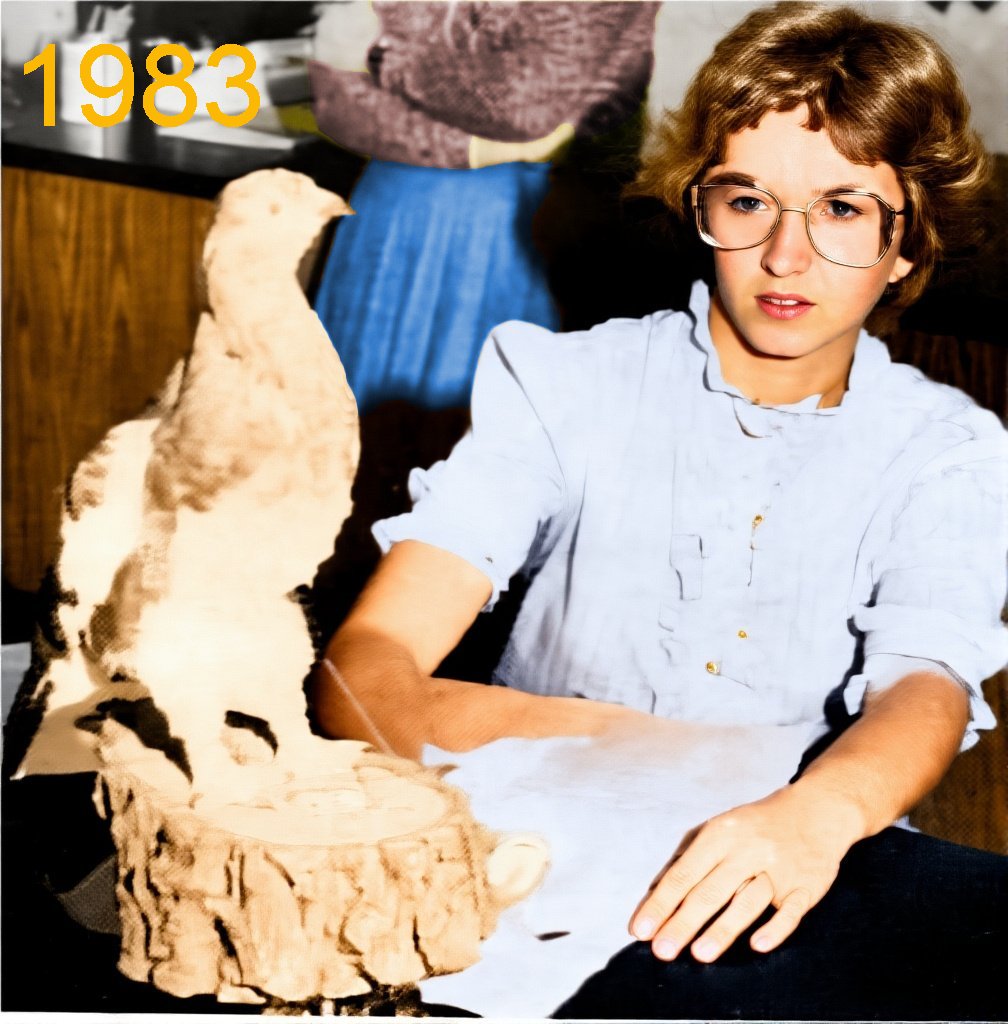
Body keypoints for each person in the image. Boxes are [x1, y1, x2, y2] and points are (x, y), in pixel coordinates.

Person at [311, 1, 1007, 1009]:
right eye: (748, 200)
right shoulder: (567, 384)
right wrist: (606, 745)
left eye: (843, 210)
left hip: (782, 862)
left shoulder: (945, 449)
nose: (786, 256)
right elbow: (368, 657)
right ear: (697, 205)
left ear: (908, 243)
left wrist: (822, 810)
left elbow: (924, 688)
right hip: (517, 846)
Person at [308, 0, 659, 412]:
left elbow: (524, 107)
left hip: (510, 225)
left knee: (478, 418)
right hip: (388, 215)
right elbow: (334, 100)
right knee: (349, 418)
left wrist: (391, 45)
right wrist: (476, 146)